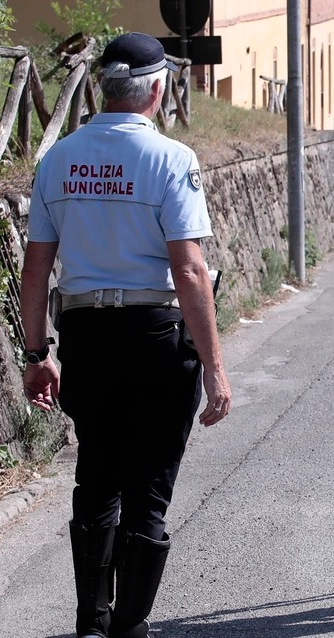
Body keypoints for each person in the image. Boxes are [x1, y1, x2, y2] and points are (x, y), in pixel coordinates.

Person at [19, 32, 231, 638]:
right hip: (155, 333)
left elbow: (37, 268)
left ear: (103, 87)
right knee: (148, 488)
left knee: (97, 473)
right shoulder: (170, 158)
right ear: (158, 89)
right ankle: (129, 627)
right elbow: (188, 268)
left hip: (85, 333)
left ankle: (92, 620)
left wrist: (38, 355)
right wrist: (216, 369)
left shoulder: (58, 157)